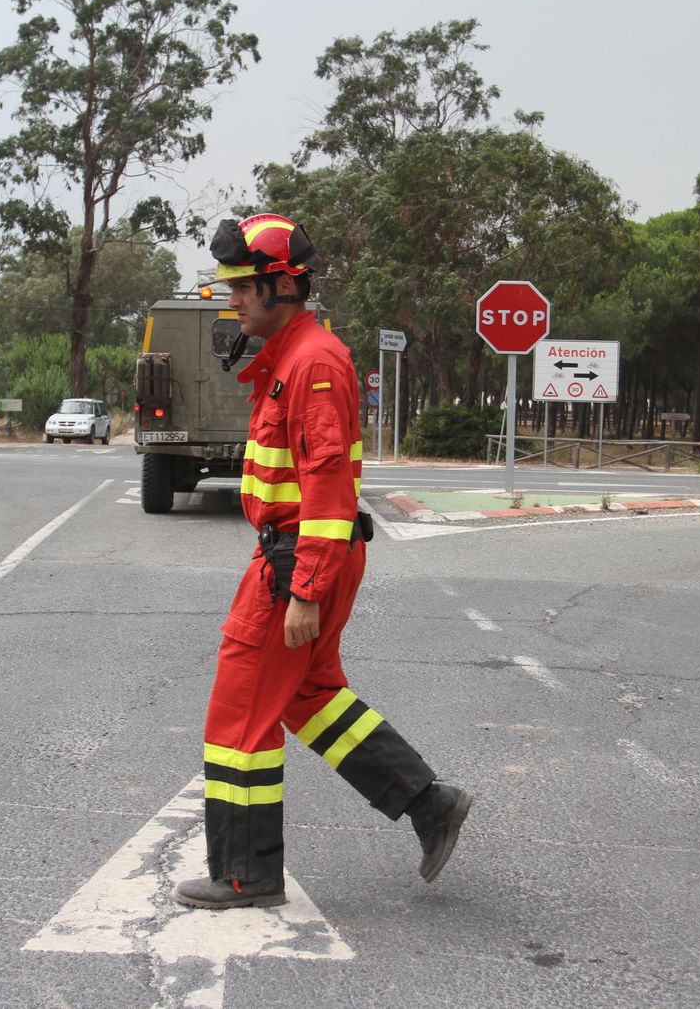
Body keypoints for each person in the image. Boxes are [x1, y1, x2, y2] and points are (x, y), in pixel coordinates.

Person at [174, 212, 473, 910]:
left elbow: (328, 483)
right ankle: (430, 805)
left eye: (244, 286)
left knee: (240, 714)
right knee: (309, 697)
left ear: (282, 285)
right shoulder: (290, 357)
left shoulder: (313, 363)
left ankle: (245, 873)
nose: (232, 298)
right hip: (305, 556)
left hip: (297, 561)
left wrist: (304, 586)